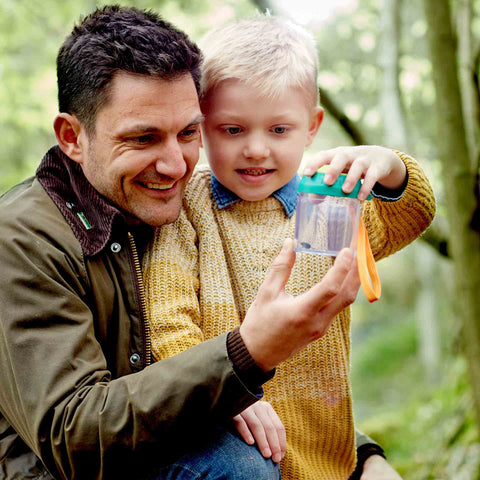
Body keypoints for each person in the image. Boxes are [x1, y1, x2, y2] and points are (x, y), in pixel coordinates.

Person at [0, 6, 364, 480]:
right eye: (144, 138)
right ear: (73, 136)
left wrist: (362, 455)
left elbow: (290, 385)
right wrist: (242, 359)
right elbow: (74, 435)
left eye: (189, 133)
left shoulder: (176, 207)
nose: (176, 165)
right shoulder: (20, 242)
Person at [142, 15, 436, 480]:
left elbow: (411, 216)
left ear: (312, 127)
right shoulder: (188, 209)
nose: (256, 150)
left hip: (327, 446)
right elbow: (168, 322)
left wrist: (391, 166)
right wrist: (226, 392)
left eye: (279, 130)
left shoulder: (325, 204)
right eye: (232, 130)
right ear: (202, 126)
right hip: (233, 438)